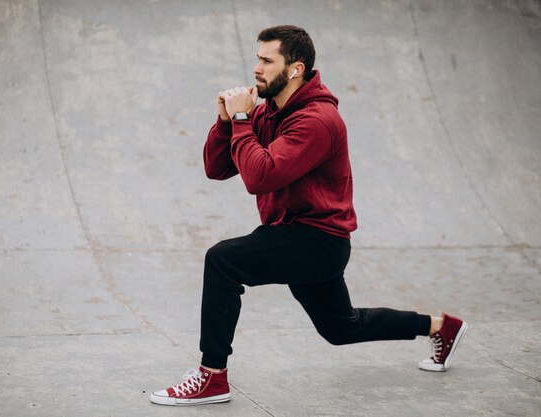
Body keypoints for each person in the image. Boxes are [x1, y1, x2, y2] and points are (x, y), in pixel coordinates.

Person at [150, 25, 467, 407]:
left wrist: (240, 122)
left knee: (222, 261)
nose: (257, 68)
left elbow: (260, 177)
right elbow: (216, 169)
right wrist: (224, 122)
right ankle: (440, 326)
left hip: (317, 240)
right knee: (340, 327)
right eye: (258, 59)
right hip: (297, 236)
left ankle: (212, 377)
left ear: (295, 69)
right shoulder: (268, 113)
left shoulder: (317, 121)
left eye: (267, 60)